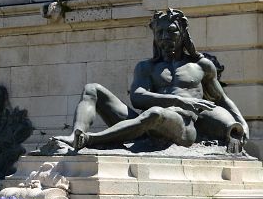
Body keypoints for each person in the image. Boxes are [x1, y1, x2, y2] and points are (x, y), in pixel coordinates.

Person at [52, 9, 249, 153]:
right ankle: (76, 135)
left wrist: (242, 124)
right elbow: (137, 98)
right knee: (92, 89)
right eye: (160, 33)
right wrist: (177, 100)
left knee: (155, 113)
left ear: (183, 34)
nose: (165, 37)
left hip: (182, 127)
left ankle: (91, 140)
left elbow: (221, 99)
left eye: (171, 31)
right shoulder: (146, 67)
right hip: (144, 122)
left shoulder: (201, 66)